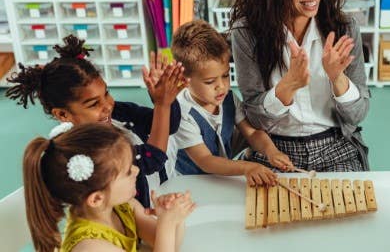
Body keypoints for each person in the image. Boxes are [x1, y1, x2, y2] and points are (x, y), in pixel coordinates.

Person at [6, 35, 187, 207]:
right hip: (127, 229)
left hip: (157, 202)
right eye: (93, 104)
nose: (107, 105)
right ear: (62, 115)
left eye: (106, 93)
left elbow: (167, 126)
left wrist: (162, 99)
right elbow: (151, 159)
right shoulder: (80, 149)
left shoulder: (117, 113)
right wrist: (163, 105)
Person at [229, 0, 370, 171]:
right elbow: (257, 120)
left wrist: (337, 78)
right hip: (274, 148)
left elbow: (358, 114)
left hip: (336, 147)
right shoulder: (246, 33)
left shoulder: (345, 28)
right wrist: (288, 87)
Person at [23, 123, 195, 252]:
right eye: (128, 171)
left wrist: (172, 217)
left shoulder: (124, 206)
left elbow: (168, 243)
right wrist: (167, 224)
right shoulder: (90, 247)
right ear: (97, 198)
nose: (136, 170)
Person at [171, 20, 289, 186]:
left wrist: (271, 152)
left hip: (219, 178)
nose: (221, 86)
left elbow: (252, 133)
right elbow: (205, 160)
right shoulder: (181, 112)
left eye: (225, 76)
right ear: (184, 80)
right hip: (190, 182)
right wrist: (247, 168)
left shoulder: (227, 99)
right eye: (210, 81)